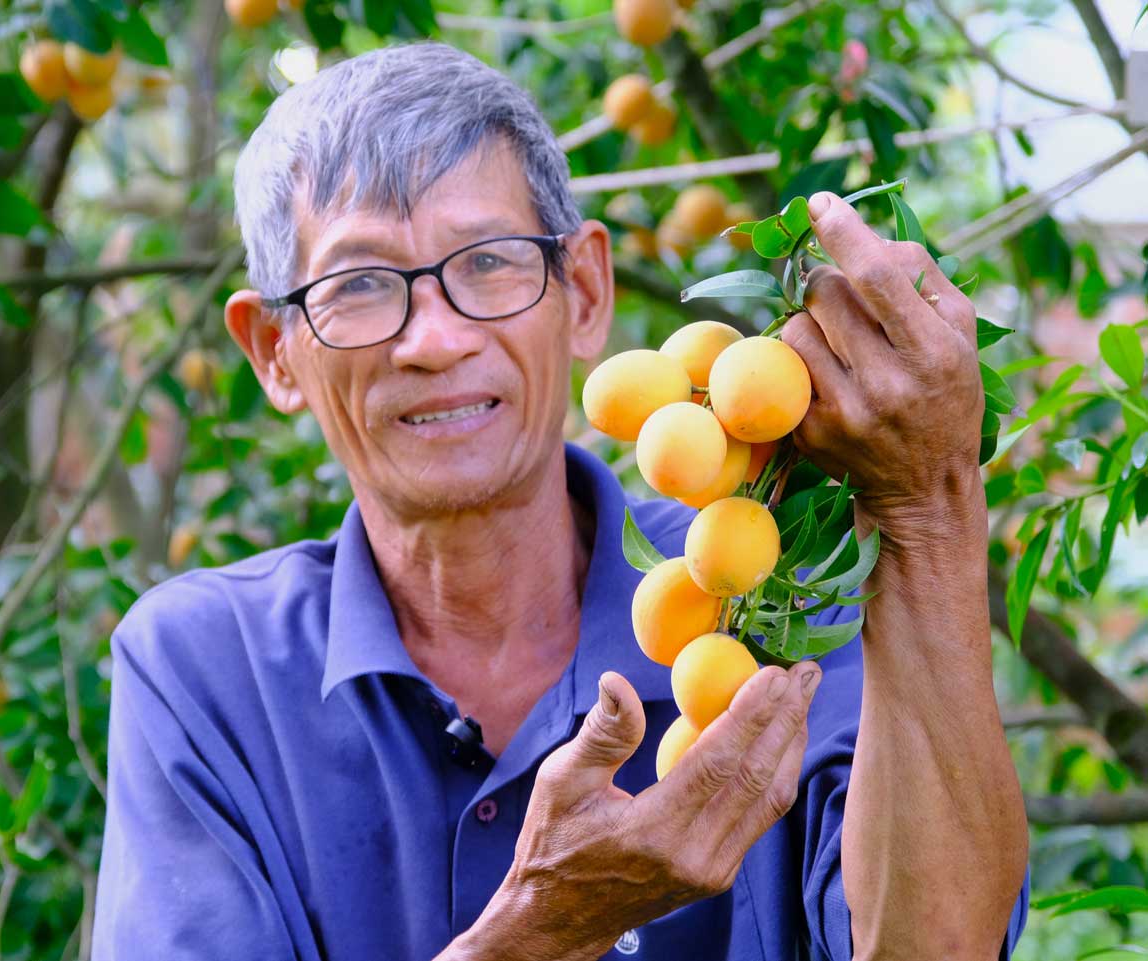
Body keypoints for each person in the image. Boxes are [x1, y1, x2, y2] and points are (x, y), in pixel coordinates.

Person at [93, 42, 1031, 960]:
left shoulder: (774, 584)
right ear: (273, 351)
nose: (435, 338)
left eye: (488, 263)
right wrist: (545, 928)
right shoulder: (207, 668)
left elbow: (933, 946)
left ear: (583, 291)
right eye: (360, 284)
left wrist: (924, 503)